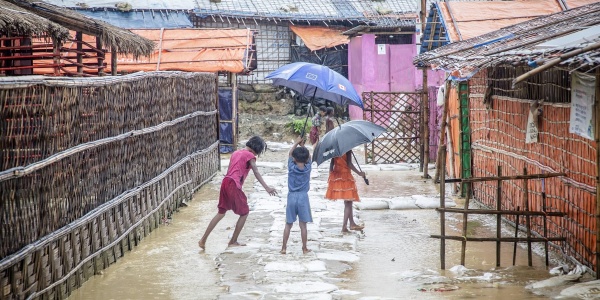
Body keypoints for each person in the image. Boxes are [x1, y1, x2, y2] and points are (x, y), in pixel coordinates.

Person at [198, 136, 277, 249]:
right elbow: (256, 172)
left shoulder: (236, 153)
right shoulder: (250, 156)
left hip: (226, 182)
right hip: (233, 184)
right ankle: (233, 240)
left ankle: (203, 240)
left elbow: (231, 170)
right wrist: (267, 188)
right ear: (257, 149)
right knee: (244, 212)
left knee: (221, 212)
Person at [281, 137, 313, 254]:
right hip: (303, 197)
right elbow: (309, 157)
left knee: (288, 224)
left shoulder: (291, 167)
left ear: (294, 159)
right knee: (303, 226)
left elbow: (290, 153)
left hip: (292, 196)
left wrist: (297, 143)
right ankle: (304, 248)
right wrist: (303, 146)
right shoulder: (307, 168)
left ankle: (284, 248)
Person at [325, 150, 366, 232]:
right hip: (346, 177)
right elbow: (349, 164)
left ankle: (352, 223)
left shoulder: (335, 150)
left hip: (337, 175)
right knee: (348, 202)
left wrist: (331, 175)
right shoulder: (347, 149)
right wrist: (359, 173)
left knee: (348, 202)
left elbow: (332, 163)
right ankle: (344, 226)